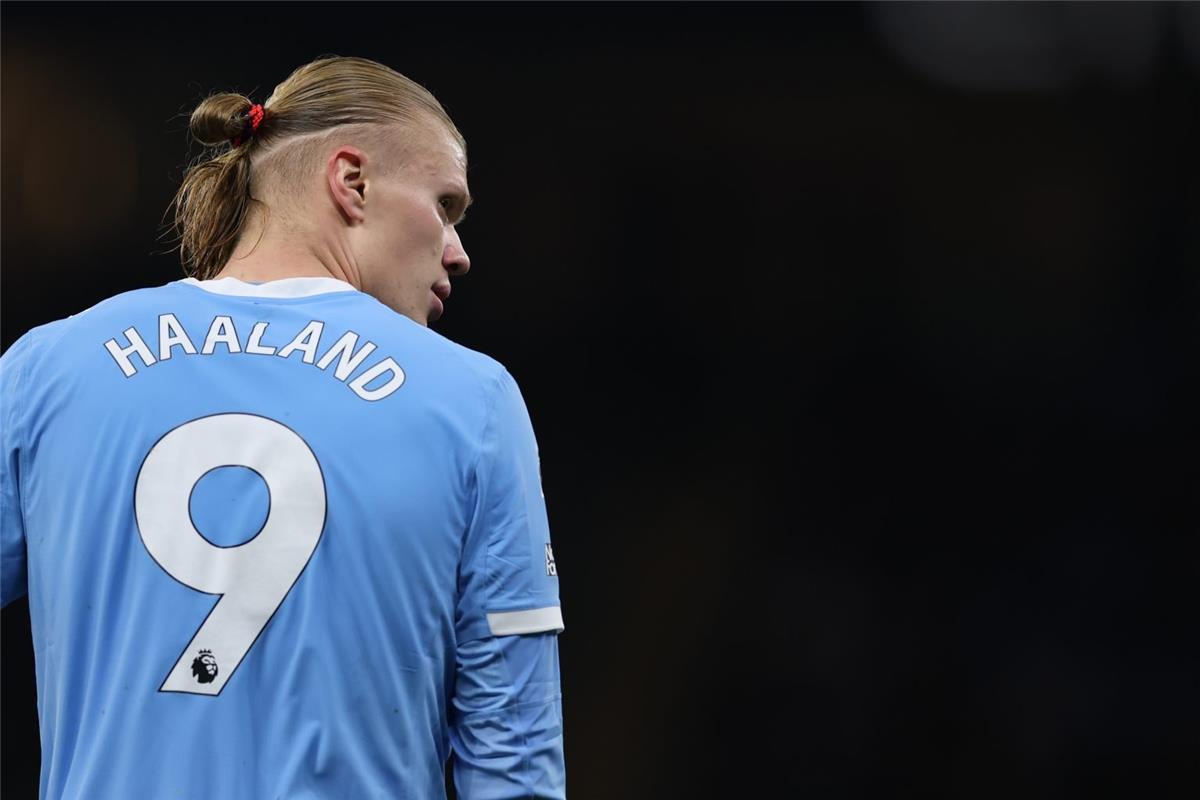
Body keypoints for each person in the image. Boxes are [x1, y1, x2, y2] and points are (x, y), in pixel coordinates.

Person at [0, 55, 565, 799]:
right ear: (352, 182)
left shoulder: (47, 370)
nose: (458, 253)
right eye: (445, 205)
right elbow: (514, 761)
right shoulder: (472, 402)